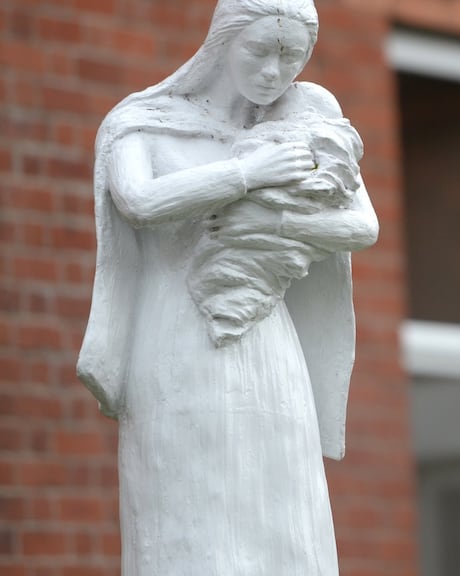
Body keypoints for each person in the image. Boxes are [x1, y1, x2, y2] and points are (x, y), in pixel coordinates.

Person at [76, 0, 378, 574]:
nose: (274, 71)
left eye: (291, 56)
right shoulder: (144, 122)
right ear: (222, 43)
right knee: (192, 505)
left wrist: (281, 224)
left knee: (286, 506)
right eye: (259, 51)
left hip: (268, 337)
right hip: (179, 339)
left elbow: (362, 225)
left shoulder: (300, 127)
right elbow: (138, 200)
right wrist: (247, 176)